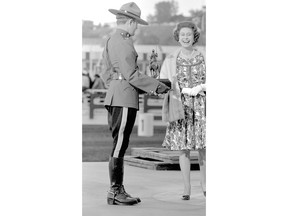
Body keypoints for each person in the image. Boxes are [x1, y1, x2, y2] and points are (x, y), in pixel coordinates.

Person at [101, 2, 170, 206]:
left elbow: (106, 73)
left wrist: (116, 86)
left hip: (117, 95)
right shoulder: (123, 42)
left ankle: (116, 190)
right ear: (130, 21)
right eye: (136, 24)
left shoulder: (111, 40)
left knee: (119, 144)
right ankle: (115, 191)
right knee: (120, 144)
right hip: (123, 99)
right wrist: (158, 86)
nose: (137, 28)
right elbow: (131, 75)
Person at [160, 21, 206, 200]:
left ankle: (205, 184)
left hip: (202, 106)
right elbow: (163, 81)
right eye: (182, 34)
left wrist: (202, 86)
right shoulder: (171, 58)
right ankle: (186, 187)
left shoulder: (204, 55)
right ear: (178, 37)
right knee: (183, 148)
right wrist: (180, 89)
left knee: (204, 147)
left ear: (194, 36)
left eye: (188, 34)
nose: (185, 37)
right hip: (180, 105)